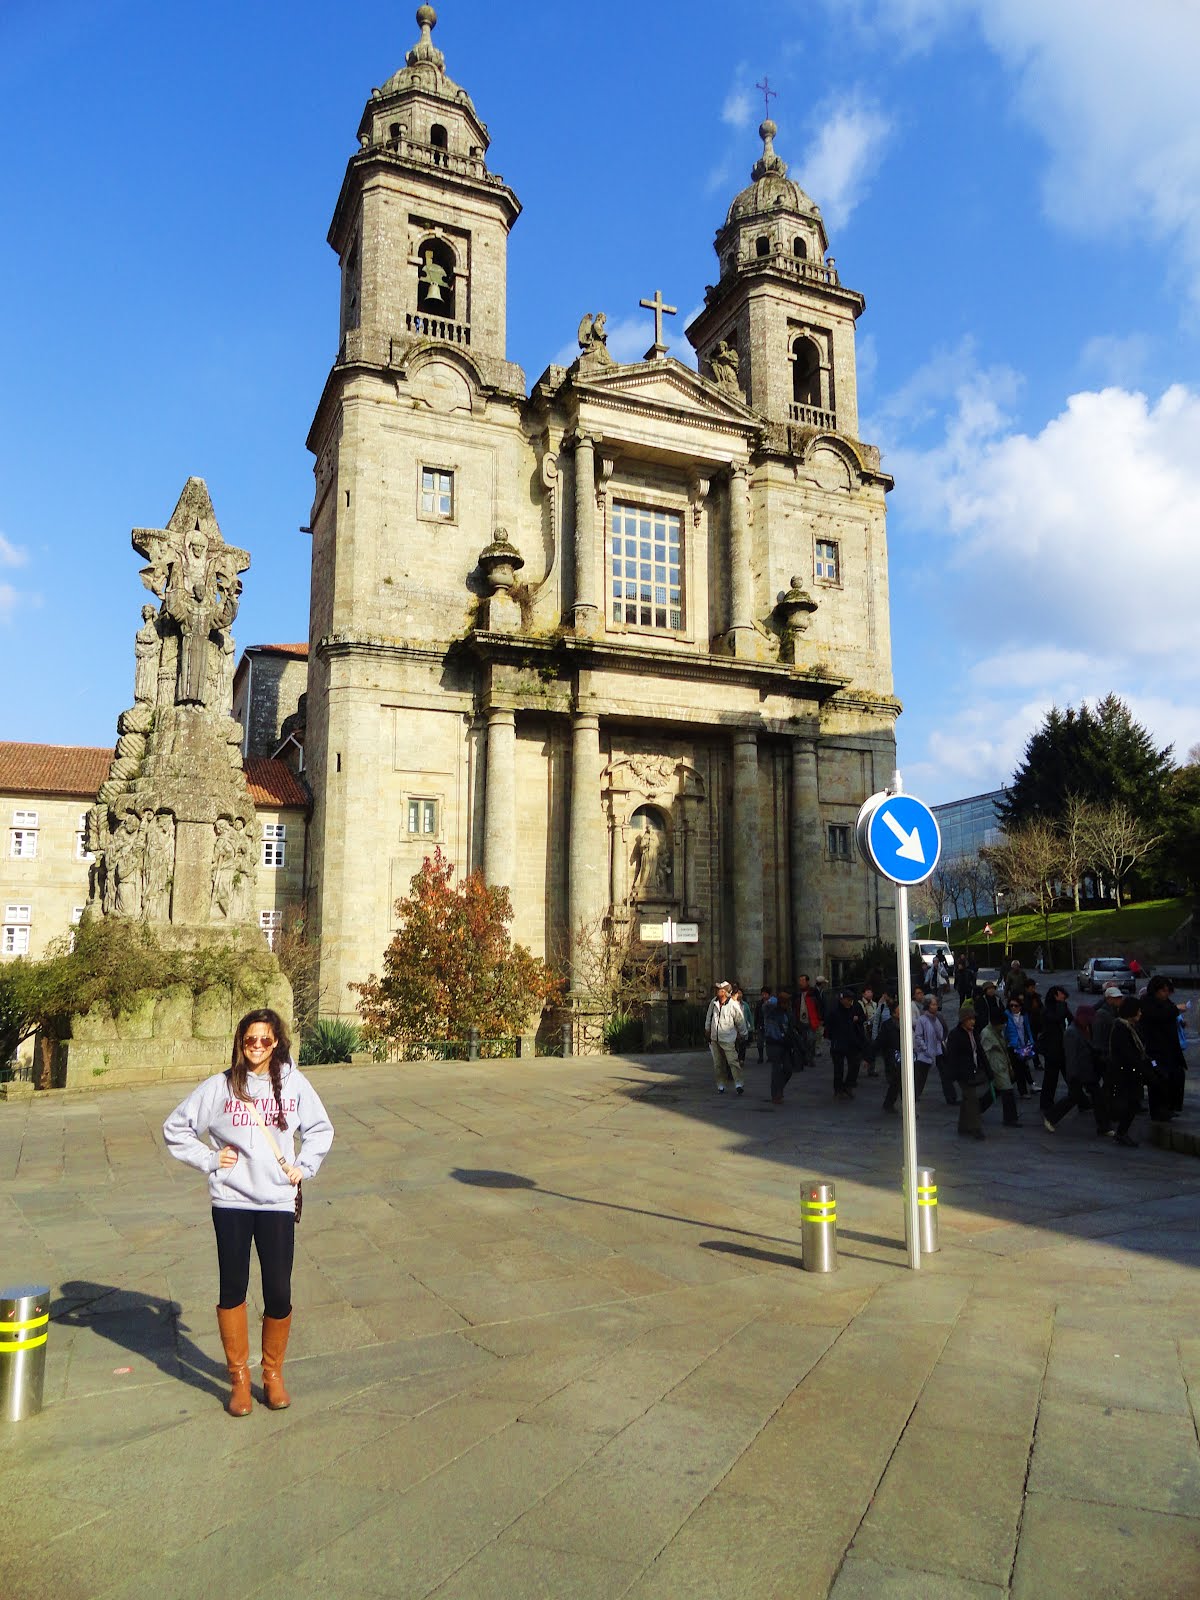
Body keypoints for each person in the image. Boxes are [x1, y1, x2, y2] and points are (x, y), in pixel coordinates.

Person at [162, 1009, 335, 1415]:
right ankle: (239, 1378)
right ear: (240, 1043)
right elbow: (175, 1128)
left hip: (276, 1200)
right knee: (232, 1287)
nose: (257, 1047)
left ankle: (272, 1374)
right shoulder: (220, 1086)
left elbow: (319, 1129)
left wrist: (304, 1166)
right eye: (250, 1040)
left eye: (265, 1040)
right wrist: (210, 1159)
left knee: (278, 1290)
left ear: (277, 1043)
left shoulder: (294, 1084)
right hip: (232, 1201)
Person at [1045, 1004, 1109, 1136]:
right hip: (1078, 1072)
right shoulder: (1072, 1033)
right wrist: (1072, 1075)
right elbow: (1071, 1057)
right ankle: (1050, 1117)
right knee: (1073, 1097)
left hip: (1088, 1070)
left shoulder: (1086, 1028)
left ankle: (1104, 1127)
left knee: (1097, 1097)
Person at [1138, 974, 1187, 1122]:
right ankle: (1158, 1111)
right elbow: (1159, 1015)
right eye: (1163, 991)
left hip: (1170, 1049)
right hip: (1155, 1051)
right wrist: (1176, 1010)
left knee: (1175, 1076)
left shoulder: (1166, 1002)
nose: (1166, 994)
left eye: (1167, 991)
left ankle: (1169, 1107)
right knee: (1159, 1080)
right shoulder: (1147, 1003)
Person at [946, 1001, 990, 1140]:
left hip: (972, 1071)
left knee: (967, 1099)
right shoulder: (955, 1035)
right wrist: (953, 1074)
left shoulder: (974, 1033)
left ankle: (963, 1126)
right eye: (970, 1019)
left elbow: (980, 1052)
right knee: (972, 1100)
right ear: (963, 1020)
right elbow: (951, 1056)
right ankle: (976, 1128)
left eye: (973, 1019)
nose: (973, 1022)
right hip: (963, 1073)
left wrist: (988, 1070)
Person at [1108, 996, 1148, 1147]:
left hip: (1131, 1072)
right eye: (1138, 1010)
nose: (1140, 1013)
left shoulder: (1131, 1027)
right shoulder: (1121, 1028)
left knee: (1133, 1103)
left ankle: (1121, 1132)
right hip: (1126, 1073)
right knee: (1131, 1103)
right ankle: (1121, 1133)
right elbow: (1128, 1053)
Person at [705, 980, 747, 1095]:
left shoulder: (733, 1005)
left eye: (720, 989)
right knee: (718, 1064)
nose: (718, 991)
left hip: (728, 1038)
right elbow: (709, 1016)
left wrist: (743, 1034)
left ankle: (739, 1084)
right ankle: (721, 1085)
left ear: (725, 992)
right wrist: (707, 1029)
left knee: (733, 1061)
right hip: (715, 1038)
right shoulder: (714, 1002)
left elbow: (740, 1020)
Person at [826, 988, 868, 1100]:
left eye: (851, 1000)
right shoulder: (835, 1010)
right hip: (838, 1043)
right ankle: (838, 1089)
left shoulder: (855, 1007)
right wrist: (833, 1037)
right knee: (838, 1069)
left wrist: (858, 1019)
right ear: (842, 1000)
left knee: (854, 1065)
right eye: (847, 1000)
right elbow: (828, 1026)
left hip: (853, 1042)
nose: (849, 1002)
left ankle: (848, 1086)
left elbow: (863, 1017)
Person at [1038, 985, 1072, 1115]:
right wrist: (1062, 1005)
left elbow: (1070, 1018)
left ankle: (1079, 1098)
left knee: (1068, 1075)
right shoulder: (1048, 1009)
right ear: (1056, 995)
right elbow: (1057, 1018)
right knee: (1051, 1077)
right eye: (1061, 994)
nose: (1064, 997)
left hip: (1062, 1047)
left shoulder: (1062, 1007)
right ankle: (1046, 1102)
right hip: (1052, 1048)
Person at [912, 996, 943, 1102]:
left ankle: (916, 1094)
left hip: (934, 1052)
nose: (935, 1006)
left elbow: (940, 1035)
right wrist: (925, 1049)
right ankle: (914, 1095)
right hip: (924, 1054)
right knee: (920, 1076)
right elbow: (918, 1036)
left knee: (923, 1077)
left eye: (936, 1004)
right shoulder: (922, 1020)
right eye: (933, 1004)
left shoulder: (936, 1019)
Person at [762, 993, 792, 1104]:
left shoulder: (786, 1013)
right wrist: (776, 1001)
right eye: (784, 1003)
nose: (786, 1005)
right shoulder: (770, 1012)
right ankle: (776, 1094)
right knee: (776, 1070)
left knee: (788, 1069)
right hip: (773, 1043)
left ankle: (779, 1088)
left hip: (784, 1043)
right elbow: (766, 1005)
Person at [1005, 996, 1037, 1097]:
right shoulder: (1006, 1016)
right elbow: (1004, 1032)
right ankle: (1023, 1091)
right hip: (1013, 1046)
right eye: (1011, 1005)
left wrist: (1031, 1041)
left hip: (1023, 1045)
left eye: (1016, 1005)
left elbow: (1027, 1028)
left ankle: (1030, 1085)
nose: (1013, 1008)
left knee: (1024, 1067)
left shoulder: (1024, 1016)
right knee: (1019, 1069)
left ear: (1020, 1007)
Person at [859, 984, 879, 1077]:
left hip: (873, 1029)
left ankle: (872, 1069)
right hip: (864, 1029)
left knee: (873, 1048)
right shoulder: (860, 1003)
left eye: (871, 992)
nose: (870, 994)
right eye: (868, 992)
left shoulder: (874, 1004)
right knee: (864, 1049)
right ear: (863, 994)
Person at [753, 985, 771, 1065]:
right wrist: (755, 1024)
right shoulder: (759, 1003)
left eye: (765, 994)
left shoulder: (772, 1003)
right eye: (763, 994)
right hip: (761, 1024)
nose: (764, 996)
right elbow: (756, 1014)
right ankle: (760, 1057)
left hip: (769, 1025)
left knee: (769, 1042)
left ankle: (770, 1057)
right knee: (760, 1042)